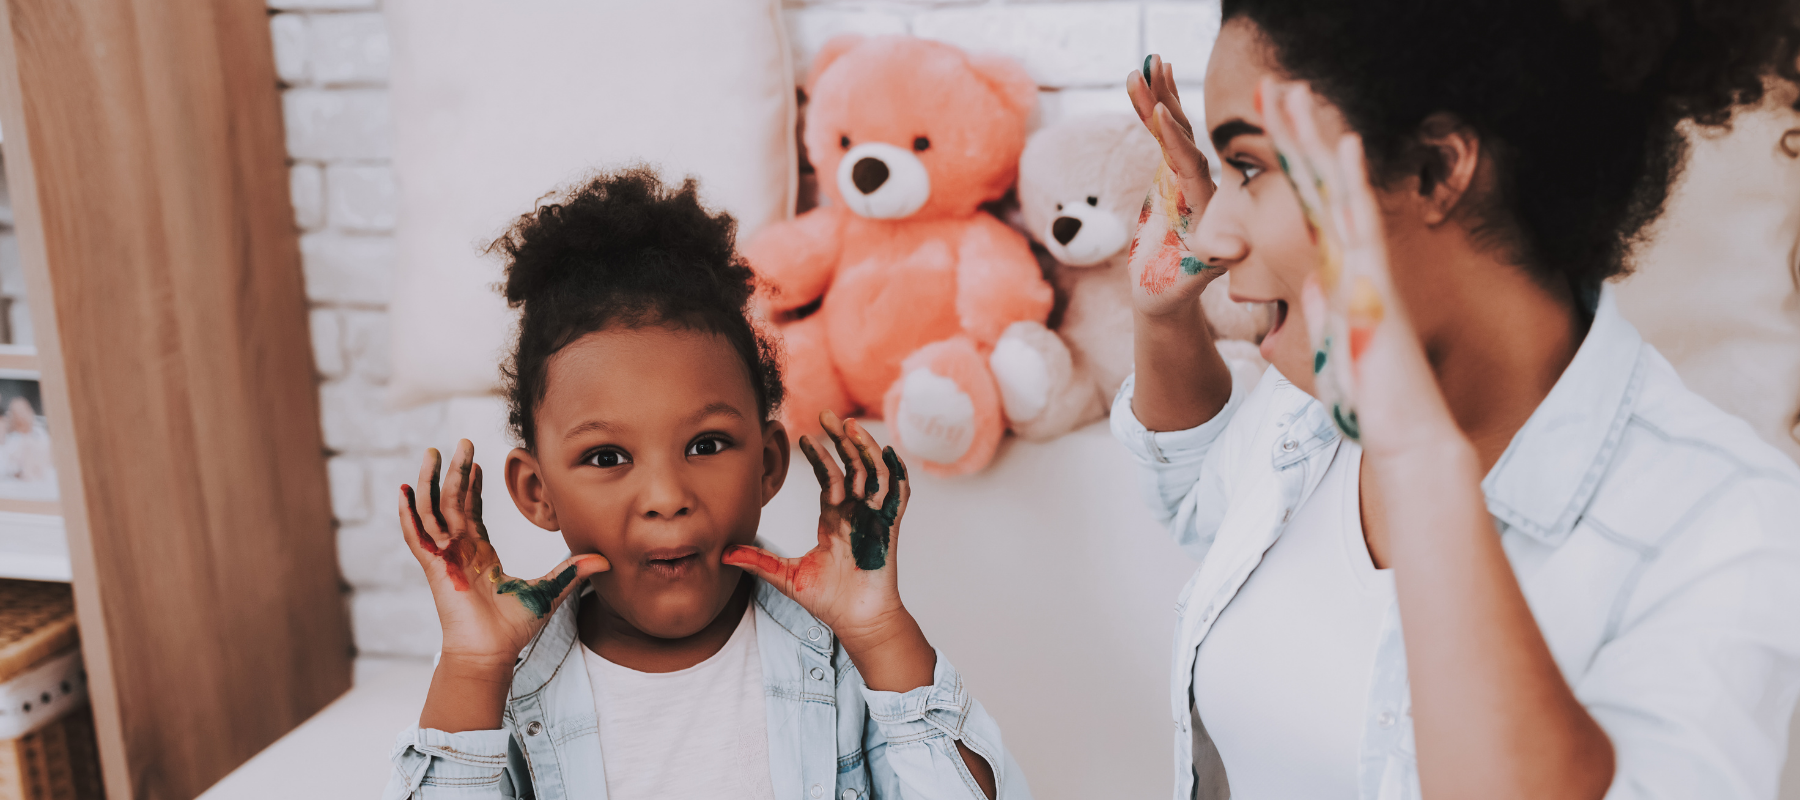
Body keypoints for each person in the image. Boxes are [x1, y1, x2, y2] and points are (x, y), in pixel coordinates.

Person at [1113, 2, 1800, 798]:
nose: (1213, 232)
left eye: (1251, 167)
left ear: (1437, 170)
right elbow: (1201, 506)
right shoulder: (1311, 408)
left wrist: (1419, 459)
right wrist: (1161, 317)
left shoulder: (1729, 528)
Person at [382, 168, 1028, 800]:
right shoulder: (502, 681)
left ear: (768, 465)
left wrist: (881, 632)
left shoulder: (841, 654)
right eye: (607, 457)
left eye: (706, 445)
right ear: (536, 491)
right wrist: (473, 669)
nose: (667, 497)